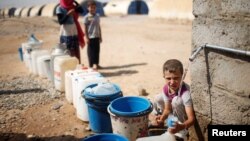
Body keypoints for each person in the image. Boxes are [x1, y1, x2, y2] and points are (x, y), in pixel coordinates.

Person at [150, 59, 195, 141]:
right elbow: (167, 109)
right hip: (173, 112)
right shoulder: (166, 88)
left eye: (176, 78)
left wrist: (181, 126)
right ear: (164, 77)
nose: (172, 82)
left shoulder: (185, 93)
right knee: (158, 98)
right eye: (168, 78)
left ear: (182, 76)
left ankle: (182, 132)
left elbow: (191, 119)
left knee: (176, 100)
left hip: (182, 118)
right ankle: (166, 122)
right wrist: (162, 119)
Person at [83, 0, 102, 70]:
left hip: (97, 36)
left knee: (97, 51)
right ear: (88, 8)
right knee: (91, 53)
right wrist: (87, 38)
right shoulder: (86, 17)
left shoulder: (97, 16)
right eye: (90, 7)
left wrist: (100, 36)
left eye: (94, 7)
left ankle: (96, 64)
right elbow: (85, 28)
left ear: (95, 8)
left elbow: (99, 26)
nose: (92, 9)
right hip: (90, 37)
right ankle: (91, 66)